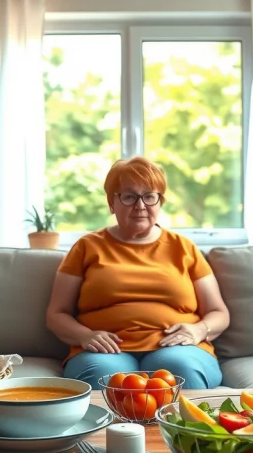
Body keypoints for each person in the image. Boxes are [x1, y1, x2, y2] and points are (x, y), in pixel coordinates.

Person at [46, 156, 230, 390]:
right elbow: (56, 314)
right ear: (112, 202)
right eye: (129, 196)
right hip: (106, 351)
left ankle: (181, 428)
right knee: (103, 376)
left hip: (177, 349)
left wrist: (199, 330)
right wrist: (85, 336)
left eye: (149, 196)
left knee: (181, 370)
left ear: (160, 201)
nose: (140, 205)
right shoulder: (87, 247)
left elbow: (218, 312)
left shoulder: (184, 247)